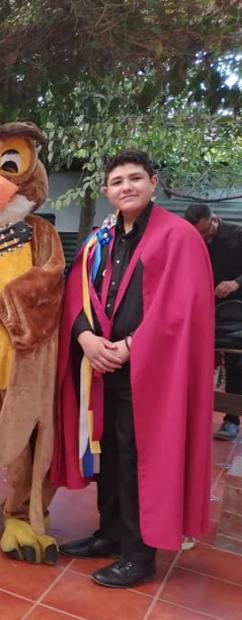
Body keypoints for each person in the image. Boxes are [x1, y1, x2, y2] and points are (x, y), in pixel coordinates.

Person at [53, 149, 214, 588]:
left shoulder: (177, 236)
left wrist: (128, 346)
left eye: (135, 178)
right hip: (101, 364)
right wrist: (85, 338)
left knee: (138, 457)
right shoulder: (99, 238)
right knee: (109, 453)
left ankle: (139, 553)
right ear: (106, 191)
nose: (126, 186)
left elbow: (180, 309)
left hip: (150, 371)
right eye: (118, 180)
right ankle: (110, 533)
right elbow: (76, 291)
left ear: (153, 183)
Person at [184, 203, 242, 442]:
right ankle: (192, 416)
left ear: (214, 220)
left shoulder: (237, 236)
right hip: (205, 309)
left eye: (207, 232)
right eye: (199, 234)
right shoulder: (190, 241)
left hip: (235, 312)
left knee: (235, 363)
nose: (205, 238)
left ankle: (231, 420)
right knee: (193, 360)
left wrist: (236, 283)